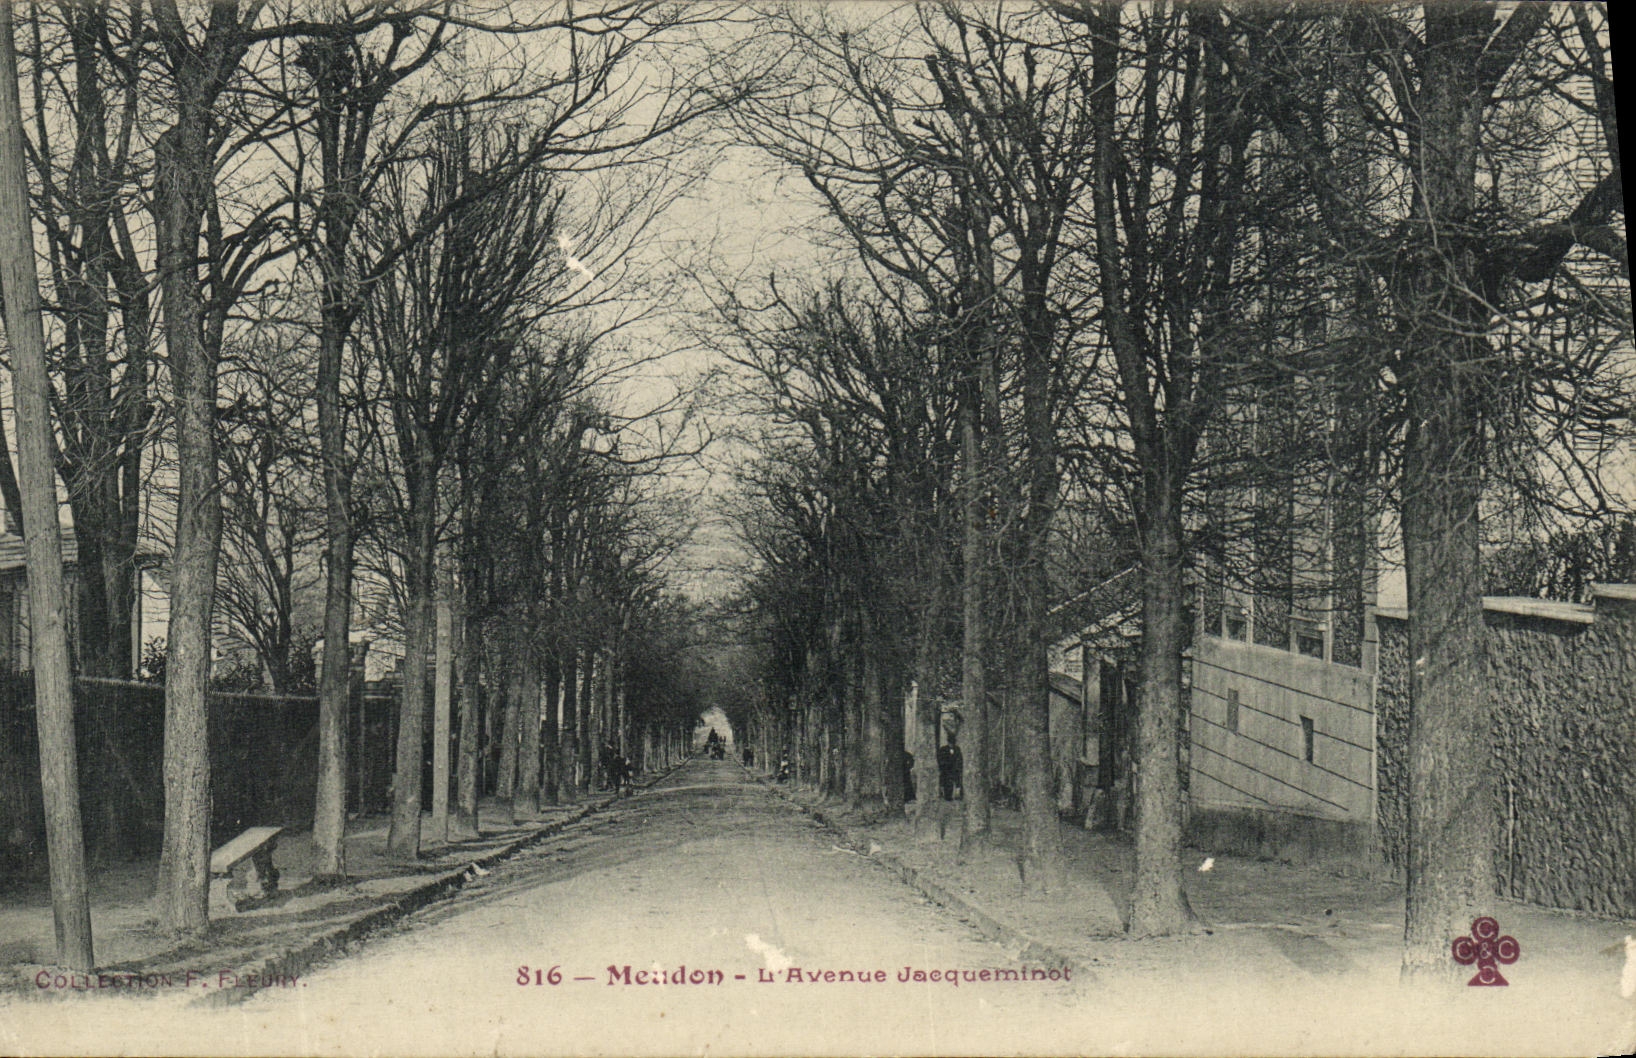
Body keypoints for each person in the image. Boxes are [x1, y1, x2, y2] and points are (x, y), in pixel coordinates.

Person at [937, 732, 963, 801]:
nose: (951, 744)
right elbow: (940, 759)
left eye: (953, 743)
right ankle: (947, 796)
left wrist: (958, 767)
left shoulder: (957, 749)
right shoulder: (943, 749)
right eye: (950, 743)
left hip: (955, 769)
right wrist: (943, 766)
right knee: (946, 783)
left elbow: (960, 758)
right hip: (946, 769)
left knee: (957, 781)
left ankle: (958, 795)